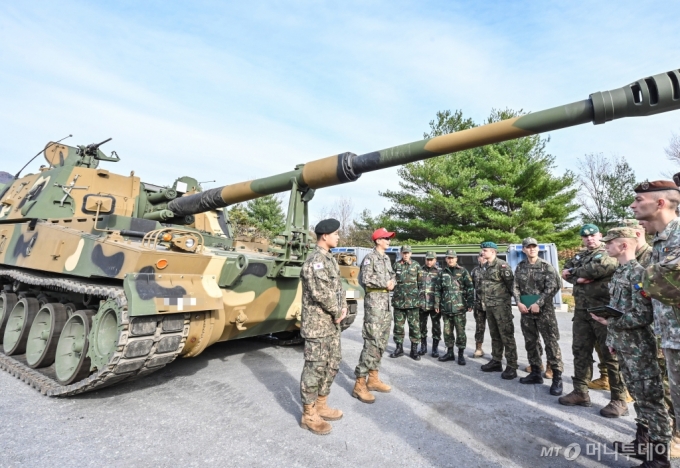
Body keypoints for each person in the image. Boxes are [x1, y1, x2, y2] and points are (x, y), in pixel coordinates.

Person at [591, 227, 671, 467]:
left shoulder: (639, 273)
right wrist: (613, 339)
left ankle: (659, 458)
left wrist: (611, 321)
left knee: (651, 400)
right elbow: (619, 307)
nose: (606, 245)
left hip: (640, 348)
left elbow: (644, 315)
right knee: (637, 397)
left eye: (610, 242)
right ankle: (643, 443)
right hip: (625, 346)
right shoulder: (620, 272)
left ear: (624, 245)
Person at [632, 180, 680, 458]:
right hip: (672, 338)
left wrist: (638, 278)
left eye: (639, 199)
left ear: (660, 203)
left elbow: (666, 281)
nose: (633, 205)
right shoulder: (662, 241)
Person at [559, 224, 627, 418]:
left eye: (593, 235)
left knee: (610, 355)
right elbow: (566, 270)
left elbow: (597, 269)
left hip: (603, 310)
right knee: (580, 351)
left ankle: (619, 399)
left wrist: (577, 274)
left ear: (600, 236)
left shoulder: (607, 253)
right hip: (582, 311)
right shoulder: (581, 257)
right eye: (585, 236)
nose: (589, 238)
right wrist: (578, 277)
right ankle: (580, 391)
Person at [299, 218, 348, 435]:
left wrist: (344, 307)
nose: (338, 237)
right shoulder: (315, 260)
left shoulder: (330, 259)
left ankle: (321, 403)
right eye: (336, 233)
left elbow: (338, 288)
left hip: (331, 324)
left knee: (332, 363)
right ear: (325, 236)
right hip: (318, 325)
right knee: (315, 367)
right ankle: (309, 413)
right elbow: (321, 293)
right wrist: (338, 311)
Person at [512, 237, 564, 395]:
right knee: (531, 341)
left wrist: (539, 303)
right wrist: (518, 302)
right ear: (524, 250)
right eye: (528, 247)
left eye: (534, 247)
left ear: (538, 249)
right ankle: (535, 371)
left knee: (551, 343)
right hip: (526, 310)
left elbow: (554, 286)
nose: (532, 249)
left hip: (544, 311)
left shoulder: (546, 267)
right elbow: (515, 286)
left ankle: (557, 377)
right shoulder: (521, 266)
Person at [353, 227, 396, 404]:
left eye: (389, 238)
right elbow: (365, 279)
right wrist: (385, 283)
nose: (389, 241)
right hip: (374, 306)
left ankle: (373, 378)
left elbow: (393, 276)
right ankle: (359, 383)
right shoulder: (370, 258)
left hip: (385, 305)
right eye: (386, 238)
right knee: (372, 342)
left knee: (382, 342)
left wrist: (392, 281)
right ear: (378, 240)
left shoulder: (386, 258)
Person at [478, 241, 518, 380]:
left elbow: (511, 286)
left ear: (493, 252)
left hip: (501, 308)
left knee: (507, 336)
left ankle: (512, 366)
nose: (483, 252)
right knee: (495, 335)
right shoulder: (486, 266)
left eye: (485, 250)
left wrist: (513, 303)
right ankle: (496, 360)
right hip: (489, 306)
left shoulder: (502, 266)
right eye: (482, 250)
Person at [435, 249, 474, 365]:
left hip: (459, 308)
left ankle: (461, 354)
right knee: (447, 332)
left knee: (460, 332)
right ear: (446, 259)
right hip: (446, 308)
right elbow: (438, 289)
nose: (450, 259)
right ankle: (450, 353)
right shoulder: (442, 273)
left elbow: (470, 288)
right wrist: (437, 304)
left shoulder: (463, 271)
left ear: (456, 258)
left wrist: (470, 303)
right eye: (448, 257)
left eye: (452, 257)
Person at [390, 245, 422, 361]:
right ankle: (399, 348)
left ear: (411, 253)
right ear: (401, 253)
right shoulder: (396, 265)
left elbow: (421, 283)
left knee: (414, 327)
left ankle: (414, 350)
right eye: (404, 253)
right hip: (399, 301)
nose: (406, 255)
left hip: (413, 302)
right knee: (398, 327)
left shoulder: (416, 265)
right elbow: (392, 280)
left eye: (408, 253)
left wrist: (420, 299)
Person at [419, 251, 442, 357]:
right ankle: (423, 347)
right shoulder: (419, 271)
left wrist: (439, 303)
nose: (429, 262)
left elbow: (442, 289)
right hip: (422, 304)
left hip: (434, 305)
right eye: (427, 259)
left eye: (431, 259)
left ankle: (435, 348)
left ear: (435, 260)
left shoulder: (440, 272)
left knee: (436, 327)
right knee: (421, 327)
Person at [470, 251, 488, 358]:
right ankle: (478, 348)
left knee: (496, 329)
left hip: (492, 305)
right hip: (479, 305)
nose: (483, 257)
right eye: (481, 256)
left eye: (485, 255)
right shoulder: (475, 271)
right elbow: (470, 287)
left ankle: (498, 350)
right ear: (478, 258)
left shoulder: (495, 269)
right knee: (479, 328)